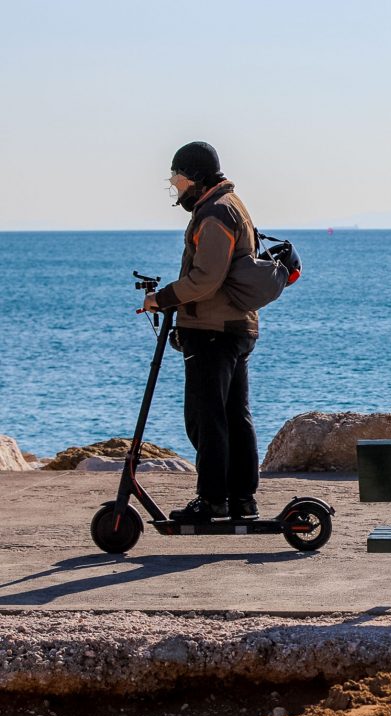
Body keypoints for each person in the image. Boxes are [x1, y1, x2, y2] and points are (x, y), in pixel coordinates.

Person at [142, 142, 262, 523]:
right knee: (232, 416)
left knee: (205, 418)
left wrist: (162, 299)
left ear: (194, 178)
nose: (176, 190)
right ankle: (241, 499)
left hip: (213, 330)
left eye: (177, 181)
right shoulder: (230, 205)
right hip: (233, 326)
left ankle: (212, 500)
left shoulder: (215, 213)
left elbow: (207, 278)